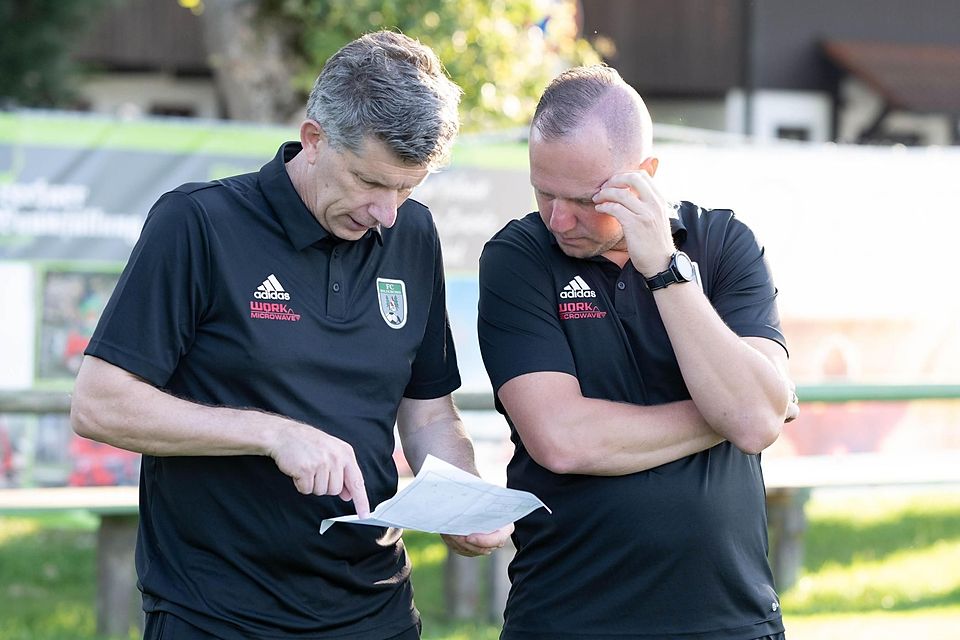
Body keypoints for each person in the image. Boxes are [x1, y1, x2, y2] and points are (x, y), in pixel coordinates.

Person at [70, 30, 511, 640]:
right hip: (217, 614)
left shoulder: (413, 233)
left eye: (408, 188)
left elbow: (430, 414)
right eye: (370, 182)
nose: (388, 212)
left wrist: (467, 500)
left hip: (375, 612)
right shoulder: (197, 223)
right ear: (314, 139)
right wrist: (271, 433)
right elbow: (99, 403)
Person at [477, 65, 800, 640]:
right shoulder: (519, 258)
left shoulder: (723, 245)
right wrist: (731, 413)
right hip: (569, 619)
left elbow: (754, 419)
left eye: (582, 198)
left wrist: (665, 271)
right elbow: (563, 439)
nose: (558, 218)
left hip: (729, 620)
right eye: (542, 191)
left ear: (644, 176)